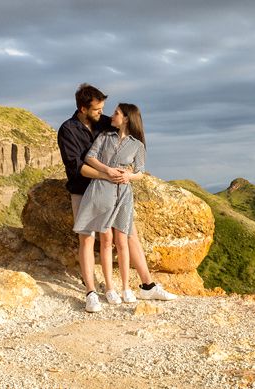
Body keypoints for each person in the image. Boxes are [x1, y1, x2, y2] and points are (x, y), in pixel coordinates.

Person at [57, 84, 177, 313]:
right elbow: (76, 166)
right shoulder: (68, 130)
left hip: (112, 191)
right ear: (83, 108)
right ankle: (91, 293)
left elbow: (126, 139)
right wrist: (106, 173)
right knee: (87, 238)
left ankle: (147, 285)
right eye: (96, 110)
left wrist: (128, 173)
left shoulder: (104, 123)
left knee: (129, 235)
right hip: (83, 190)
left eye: (104, 109)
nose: (102, 113)